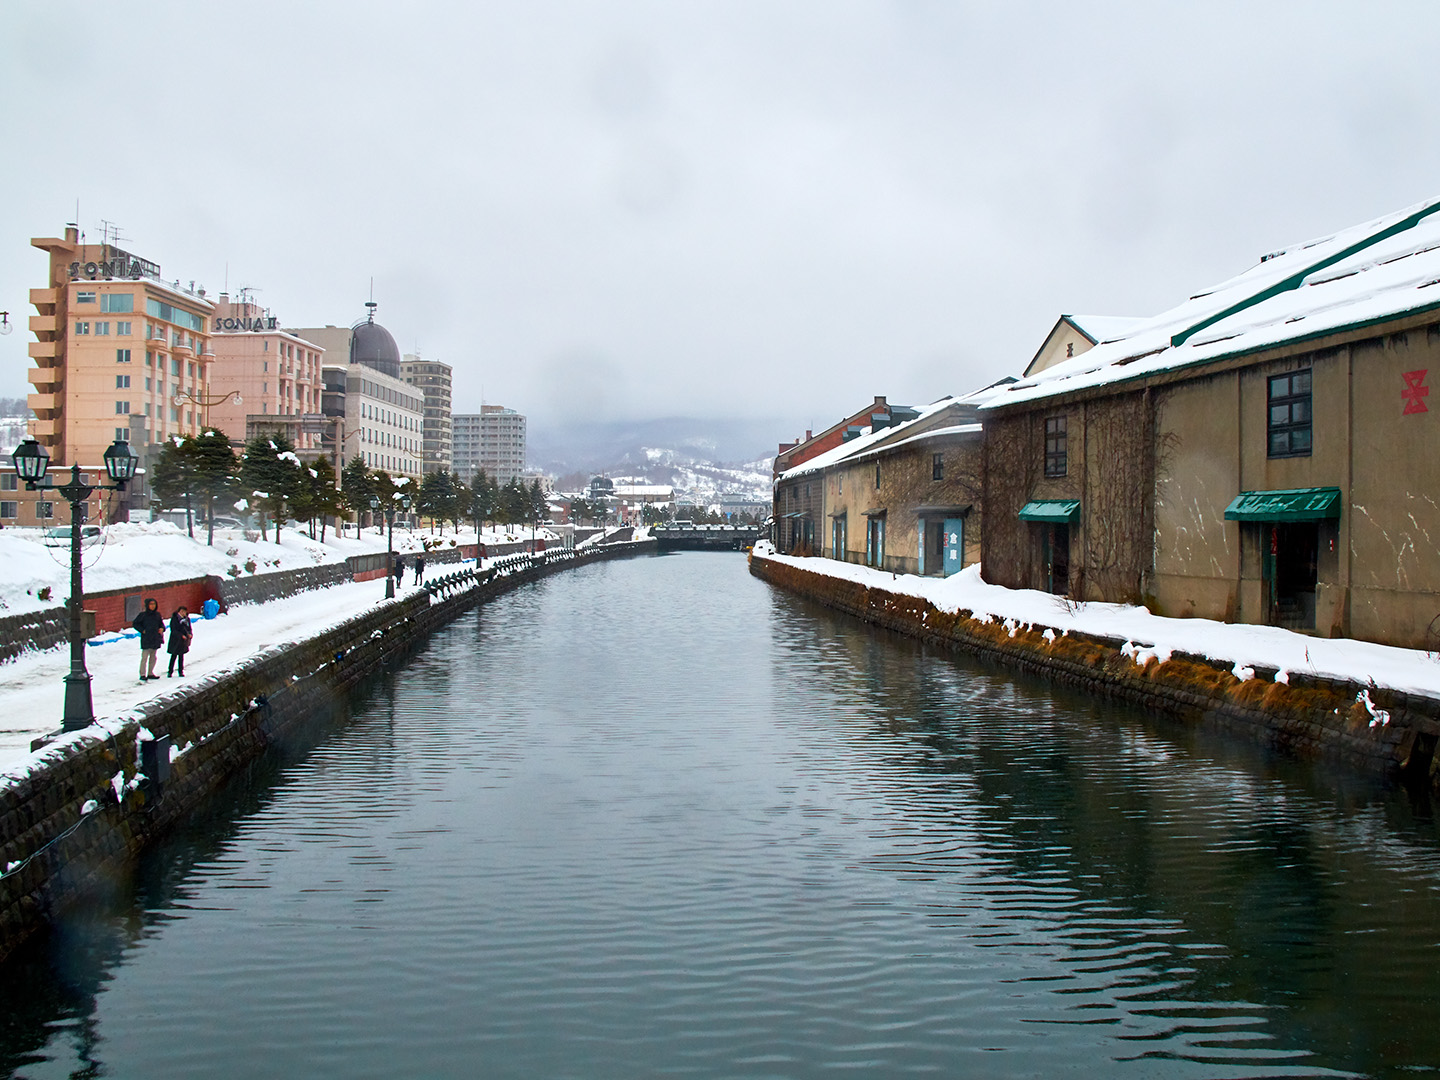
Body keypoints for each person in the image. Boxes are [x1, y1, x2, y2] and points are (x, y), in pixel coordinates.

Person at [132, 597, 164, 681]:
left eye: (154, 604)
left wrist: (162, 629)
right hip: (146, 638)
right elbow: (135, 624)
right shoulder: (143, 615)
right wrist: (143, 630)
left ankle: (150, 673)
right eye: (151, 604)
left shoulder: (157, 615)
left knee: (153, 657)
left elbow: (161, 624)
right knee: (144, 657)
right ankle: (142, 674)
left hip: (155, 638)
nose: (153, 606)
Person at [167, 606, 193, 677]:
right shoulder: (175, 619)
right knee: (174, 655)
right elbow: (173, 630)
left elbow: (189, 628)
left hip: (183, 641)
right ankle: (170, 671)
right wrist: (180, 635)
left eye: (185, 611)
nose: (184, 613)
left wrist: (190, 634)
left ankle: (180, 671)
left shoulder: (187, 619)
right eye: (182, 611)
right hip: (175, 640)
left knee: (181, 656)